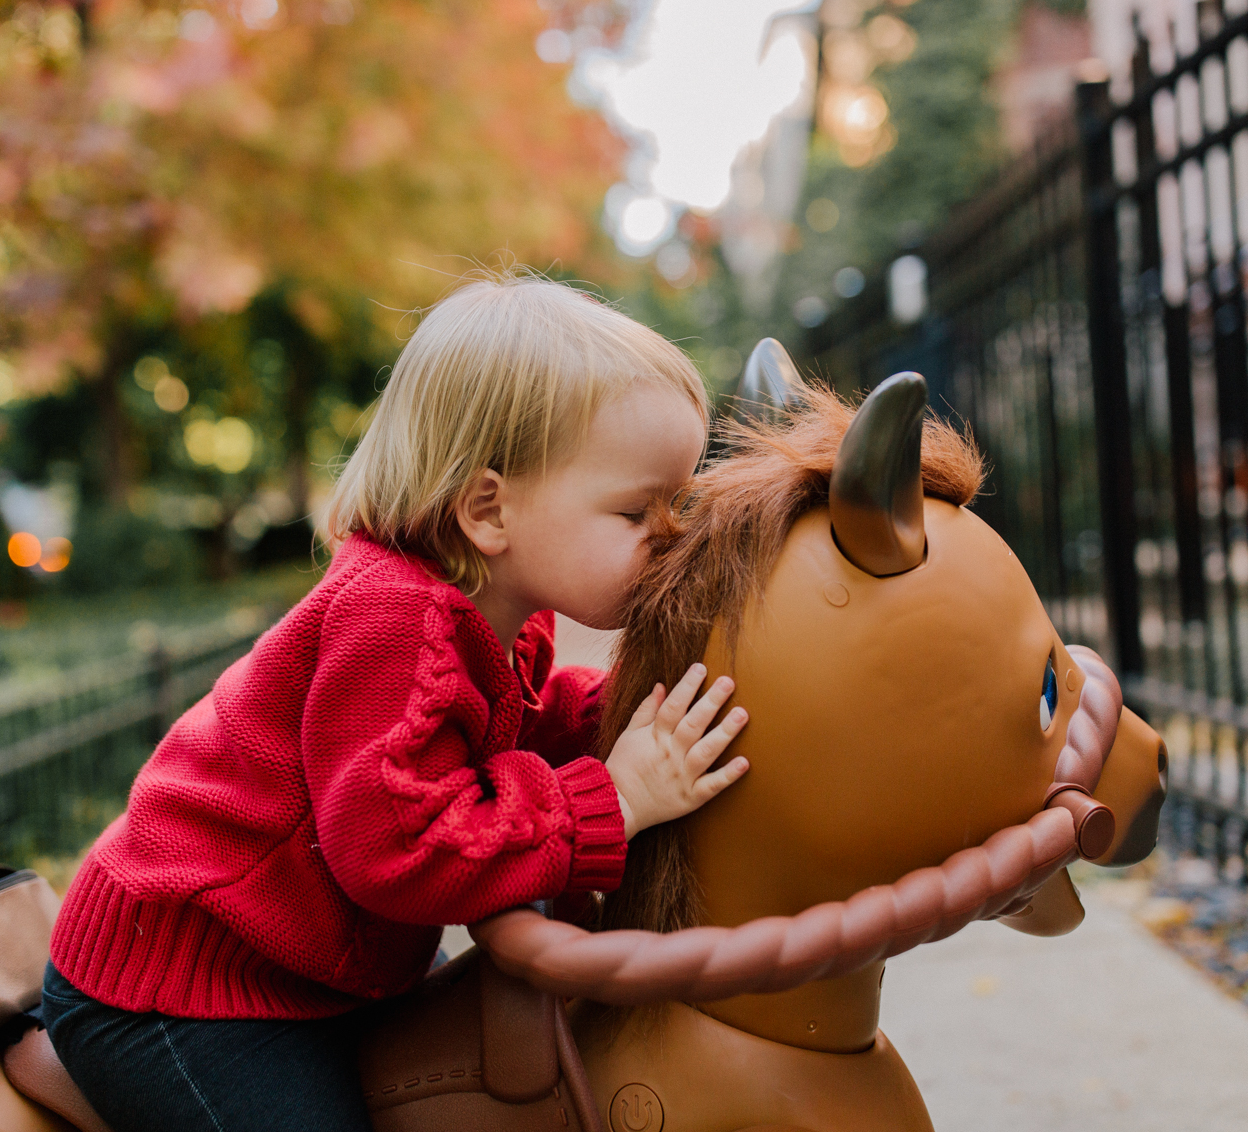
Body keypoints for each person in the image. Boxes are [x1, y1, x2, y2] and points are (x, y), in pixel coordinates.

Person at [41, 274, 752, 1132]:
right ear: (490, 509)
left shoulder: (492, 614)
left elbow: (512, 726)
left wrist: (640, 714)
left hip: (301, 971)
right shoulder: (393, 620)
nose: (669, 535)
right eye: (638, 509)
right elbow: (397, 844)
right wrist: (619, 799)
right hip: (183, 988)